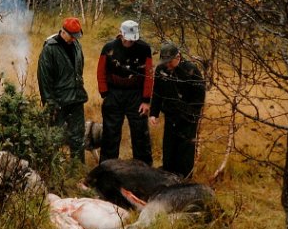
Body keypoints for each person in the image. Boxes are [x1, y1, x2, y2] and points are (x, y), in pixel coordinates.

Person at [96, 20, 154, 165]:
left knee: (140, 135)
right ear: (121, 33)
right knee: (110, 134)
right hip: (114, 94)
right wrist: (105, 94)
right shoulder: (109, 48)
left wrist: (146, 100)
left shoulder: (144, 48)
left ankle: (144, 170)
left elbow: (149, 75)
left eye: (132, 39)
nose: (129, 41)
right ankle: (107, 169)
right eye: (127, 38)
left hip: (136, 95)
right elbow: (101, 71)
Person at [149, 43, 206, 179]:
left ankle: (184, 178)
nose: (167, 65)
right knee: (169, 147)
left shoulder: (191, 71)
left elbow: (199, 98)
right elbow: (157, 92)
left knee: (185, 149)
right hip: (170, 115)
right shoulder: (161, 70)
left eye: (169, 62)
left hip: (188, 118)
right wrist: (153, 113)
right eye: (164, 62)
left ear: (178, 57)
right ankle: (168, 175)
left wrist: (188, 115)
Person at [37, 17, 89, 162]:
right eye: (72, 36)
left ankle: (77, 168)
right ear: (63, 32)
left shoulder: (77, 44)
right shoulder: (50, 49)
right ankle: (52, 168)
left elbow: (80, 67)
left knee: (78, 135)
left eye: (76, 36)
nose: (74, 39)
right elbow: (44, 78)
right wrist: (49, 103)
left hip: (77, 98)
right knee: (55, 136)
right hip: (59, 101)